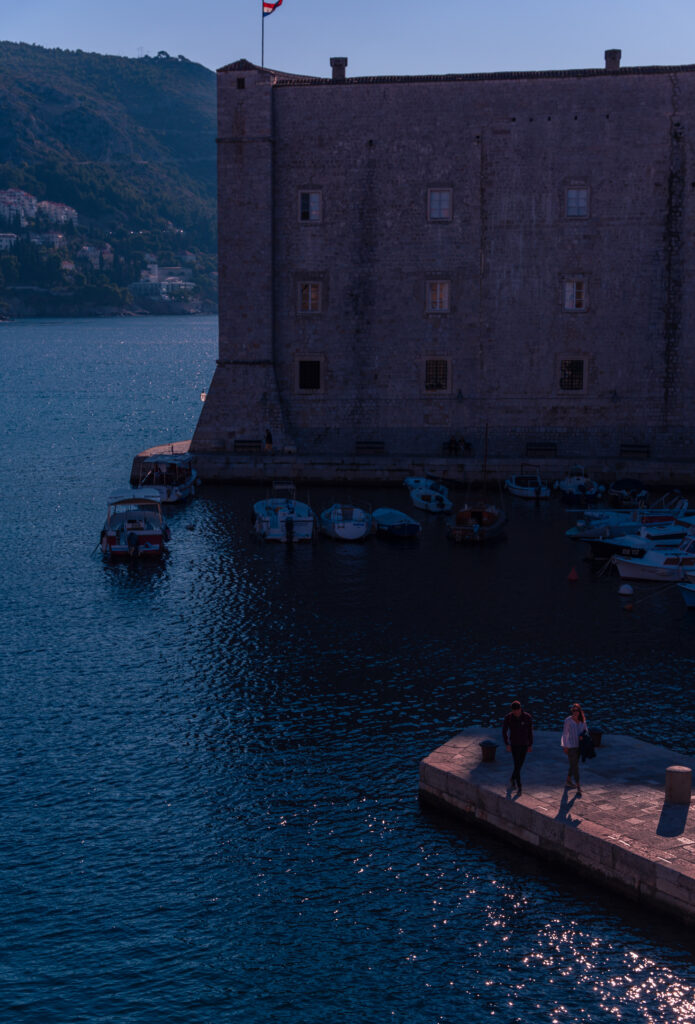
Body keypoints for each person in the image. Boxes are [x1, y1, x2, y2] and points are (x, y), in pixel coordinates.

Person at [502, 700, 533, 794]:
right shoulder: (508, 718)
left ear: (520, 709)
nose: (515, 713)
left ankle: (512, 778)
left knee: (520, 765)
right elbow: (504, 731)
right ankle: (519, 786)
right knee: (517, 764)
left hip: (524, 744)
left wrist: (530, 744)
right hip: (514, 744)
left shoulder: (527, 717)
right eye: (514, 711)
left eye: (517, 710)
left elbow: (530, 732)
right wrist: (507, 744)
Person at [562, 702, 588, 796]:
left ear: (579, 711)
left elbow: (586, 731)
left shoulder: (582, 721)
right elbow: (565, 734)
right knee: (575, 767)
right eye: (573, 710)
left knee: (573, 764)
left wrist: (583, 736)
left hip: (579, 747)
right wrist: (564, 746)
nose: (575, 712)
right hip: (571, 746)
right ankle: (578, 786)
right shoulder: (568, 720)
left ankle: (568, 780)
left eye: (577, 710)